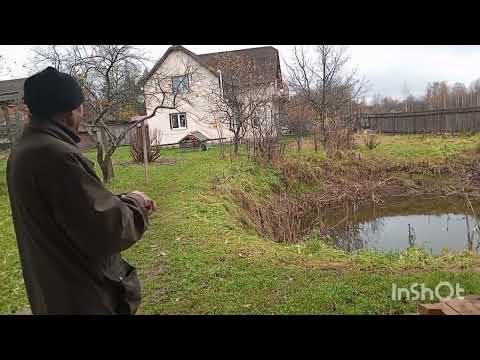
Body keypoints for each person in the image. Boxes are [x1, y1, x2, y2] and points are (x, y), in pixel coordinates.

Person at [6, 66, 156, 315]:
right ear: (69, 112)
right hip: (83, 297)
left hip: (55, 292)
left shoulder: (25, 150)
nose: (82, 113)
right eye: (80, 107)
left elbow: (72, 211)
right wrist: (136, 203)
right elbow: (106, 229)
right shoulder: (55, 156)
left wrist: (122, 200)